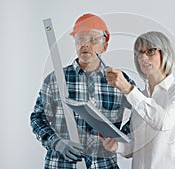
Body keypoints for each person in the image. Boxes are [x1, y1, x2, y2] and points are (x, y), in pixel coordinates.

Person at [30, 13, 135, 169]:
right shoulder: (55, 80)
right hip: (60, 165)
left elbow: (140, 112)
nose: (86, 44)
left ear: (104, 46)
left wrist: (119, 139)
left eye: (93, 39)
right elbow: (37, 117)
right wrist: (56, 143)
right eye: (80, 38)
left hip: (104, 165)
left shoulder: (119, 80)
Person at [99, 31, 175, 169]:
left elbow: (164, 124)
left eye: (150, 51)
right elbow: (137, 146)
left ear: (165, 53)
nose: (143, 57)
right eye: (139, 53)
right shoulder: (140, 96)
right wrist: (117, 147)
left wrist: (128, 89)